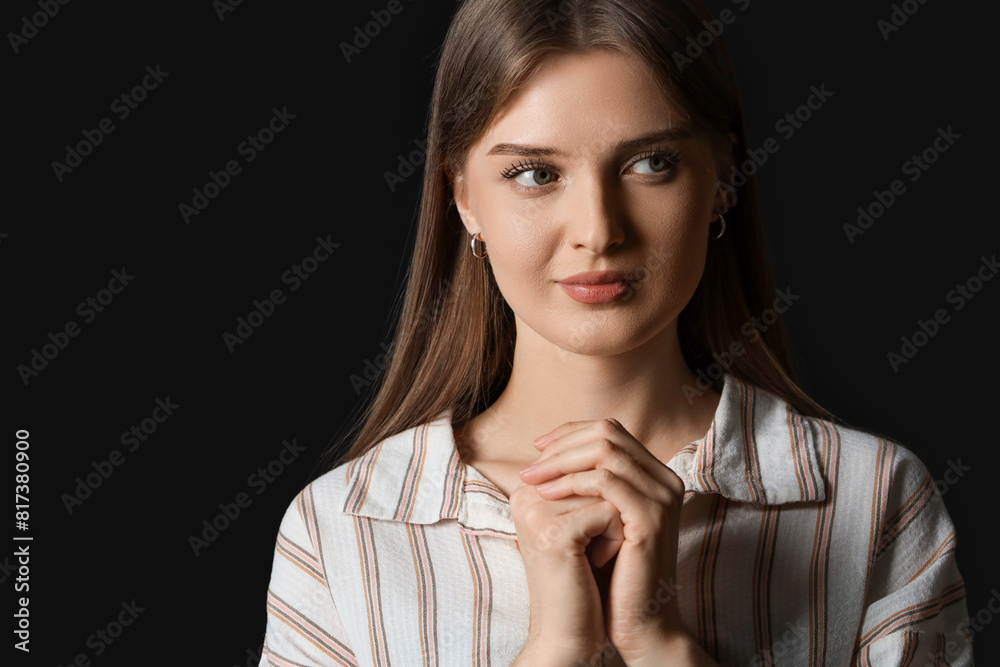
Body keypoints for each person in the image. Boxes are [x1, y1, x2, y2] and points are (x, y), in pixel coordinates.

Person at [256, 0, 972, 664]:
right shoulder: (340, 529)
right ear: (462, 195)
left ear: (723, 173)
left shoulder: (874, 499)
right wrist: (555, 648)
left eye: (651, 163)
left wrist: (659, 642)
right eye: (535, 173)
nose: (599, 231)